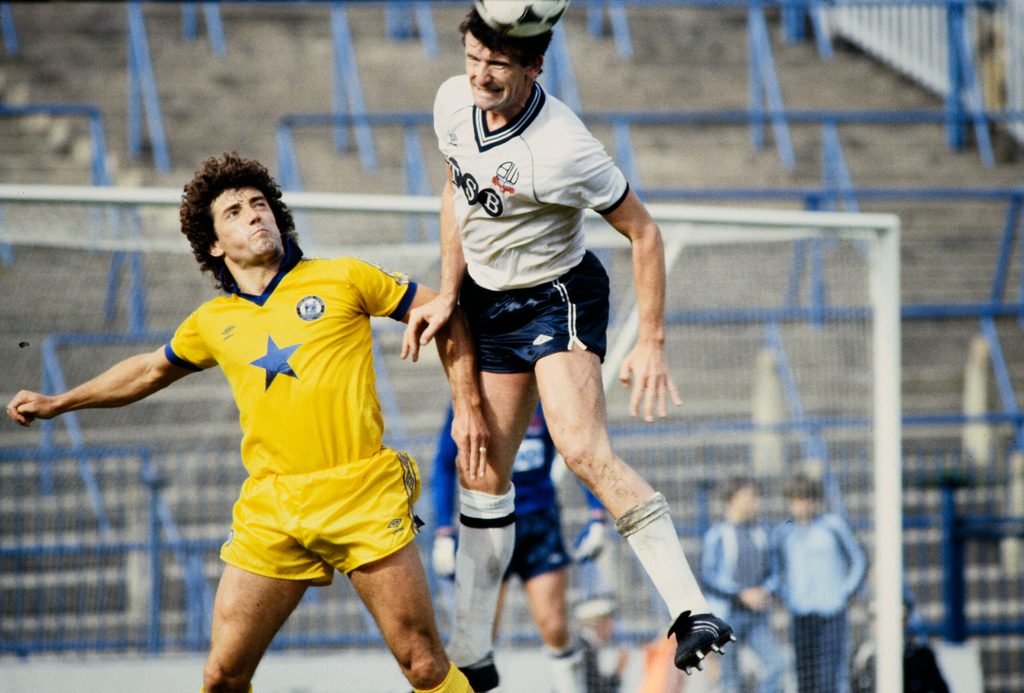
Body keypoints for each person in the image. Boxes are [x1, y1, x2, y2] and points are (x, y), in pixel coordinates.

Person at [5, 153, 486, 693]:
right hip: (272, 507)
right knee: (222, 676)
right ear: (213, 244)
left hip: (359, 493)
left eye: (260, 204)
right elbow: (146, 370)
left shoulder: (343, 277)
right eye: (234, 211)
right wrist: (59, 402)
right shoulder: (213, 322)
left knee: (422, 663)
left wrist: (467, 410)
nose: (254, 215)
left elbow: (448, 312)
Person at [401, 7, 734, 689]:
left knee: (581, 449)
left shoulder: (565, 145)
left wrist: (653, 340)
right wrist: (446, 289)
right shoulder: (449, 102)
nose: (481, 74)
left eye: (497, 63)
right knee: (481, 473)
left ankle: (693, 610)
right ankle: (473, 650)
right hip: (489, 301)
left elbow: (644, 232)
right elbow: (454, 191)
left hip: (559, 297)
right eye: (472, 58)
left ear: (533, 66)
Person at [431, 402, 610, 693]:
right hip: (487, 526)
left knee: (554, 627)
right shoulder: (468, 400)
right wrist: (443, 531)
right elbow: (443, 465)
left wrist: (597, 515)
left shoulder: (545, 396)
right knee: (479, 638)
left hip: (539, 522)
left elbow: (577, 451)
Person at [773, 473, 866, 693]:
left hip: (831, 614)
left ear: (815, 501)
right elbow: (776, 572)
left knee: (830, 677)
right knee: (805, 678)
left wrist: (844, 592)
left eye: (806, 499)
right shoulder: (783, 533)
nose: (801, 506)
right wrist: (788, 598)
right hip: (801, 615)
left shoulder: (833, 526)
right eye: (796, 500)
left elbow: (859, 560)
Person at [701, 476, 785, 693]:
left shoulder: (761, 533)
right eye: (748, 497)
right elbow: (709, 576)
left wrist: (764, 590)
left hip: (756, 617)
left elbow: (774, 570)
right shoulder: (717, 534)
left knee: (777, 665)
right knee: (730, 680)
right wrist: (740, 594)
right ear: (731, 500)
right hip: (726, 618)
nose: (753, 502)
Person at [573, 596, 629, 693]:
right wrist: (618, 671)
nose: (613, 627)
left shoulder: (586, 646)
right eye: (610, 621)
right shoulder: (583, 649)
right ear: (599, 623)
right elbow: (596, 689)